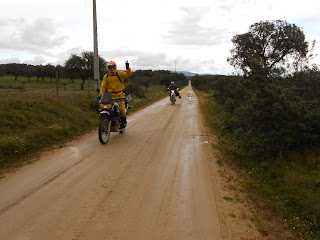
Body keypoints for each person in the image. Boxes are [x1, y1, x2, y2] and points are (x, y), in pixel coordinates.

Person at [99, 60, 132, 128]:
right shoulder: (106, 76)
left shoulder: (119, 74)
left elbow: (127, 74)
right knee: (105, 108)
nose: (111, 69)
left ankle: (123, 121)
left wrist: (128, 68)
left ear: (115, 67)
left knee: (122, 109)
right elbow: (103, 86)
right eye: (109, 67)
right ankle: (107, 121)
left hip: (120, 95)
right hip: (110, 95)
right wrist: (101, 95)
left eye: (112, 67)